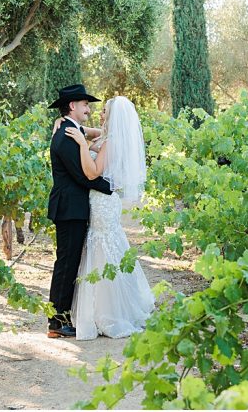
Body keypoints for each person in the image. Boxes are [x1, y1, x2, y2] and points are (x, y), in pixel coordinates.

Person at [63, 96, 154, 340]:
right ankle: (104, 305)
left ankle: (109, 310)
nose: (100, 114)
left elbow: (93, 173)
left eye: (104, 111)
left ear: (113, 117)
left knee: (103, 246)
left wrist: (83, 144)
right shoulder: (108, 137)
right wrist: (68, 125)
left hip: (102, 202)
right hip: (102, 201)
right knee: (104, 245)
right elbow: (93, 132)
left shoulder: (111, 142)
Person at [45, 84, 114, 339]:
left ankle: (59, 317)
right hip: (70, 209)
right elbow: (86, 176)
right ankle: (56, 322)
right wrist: (112, 187)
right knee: (66, 265)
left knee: (69, 263)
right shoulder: (67, 137)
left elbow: (94, 131)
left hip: (72, 208)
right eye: (85, 104)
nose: (89, 108)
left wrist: (108, 132)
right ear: (72, 106)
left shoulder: (70, 129)